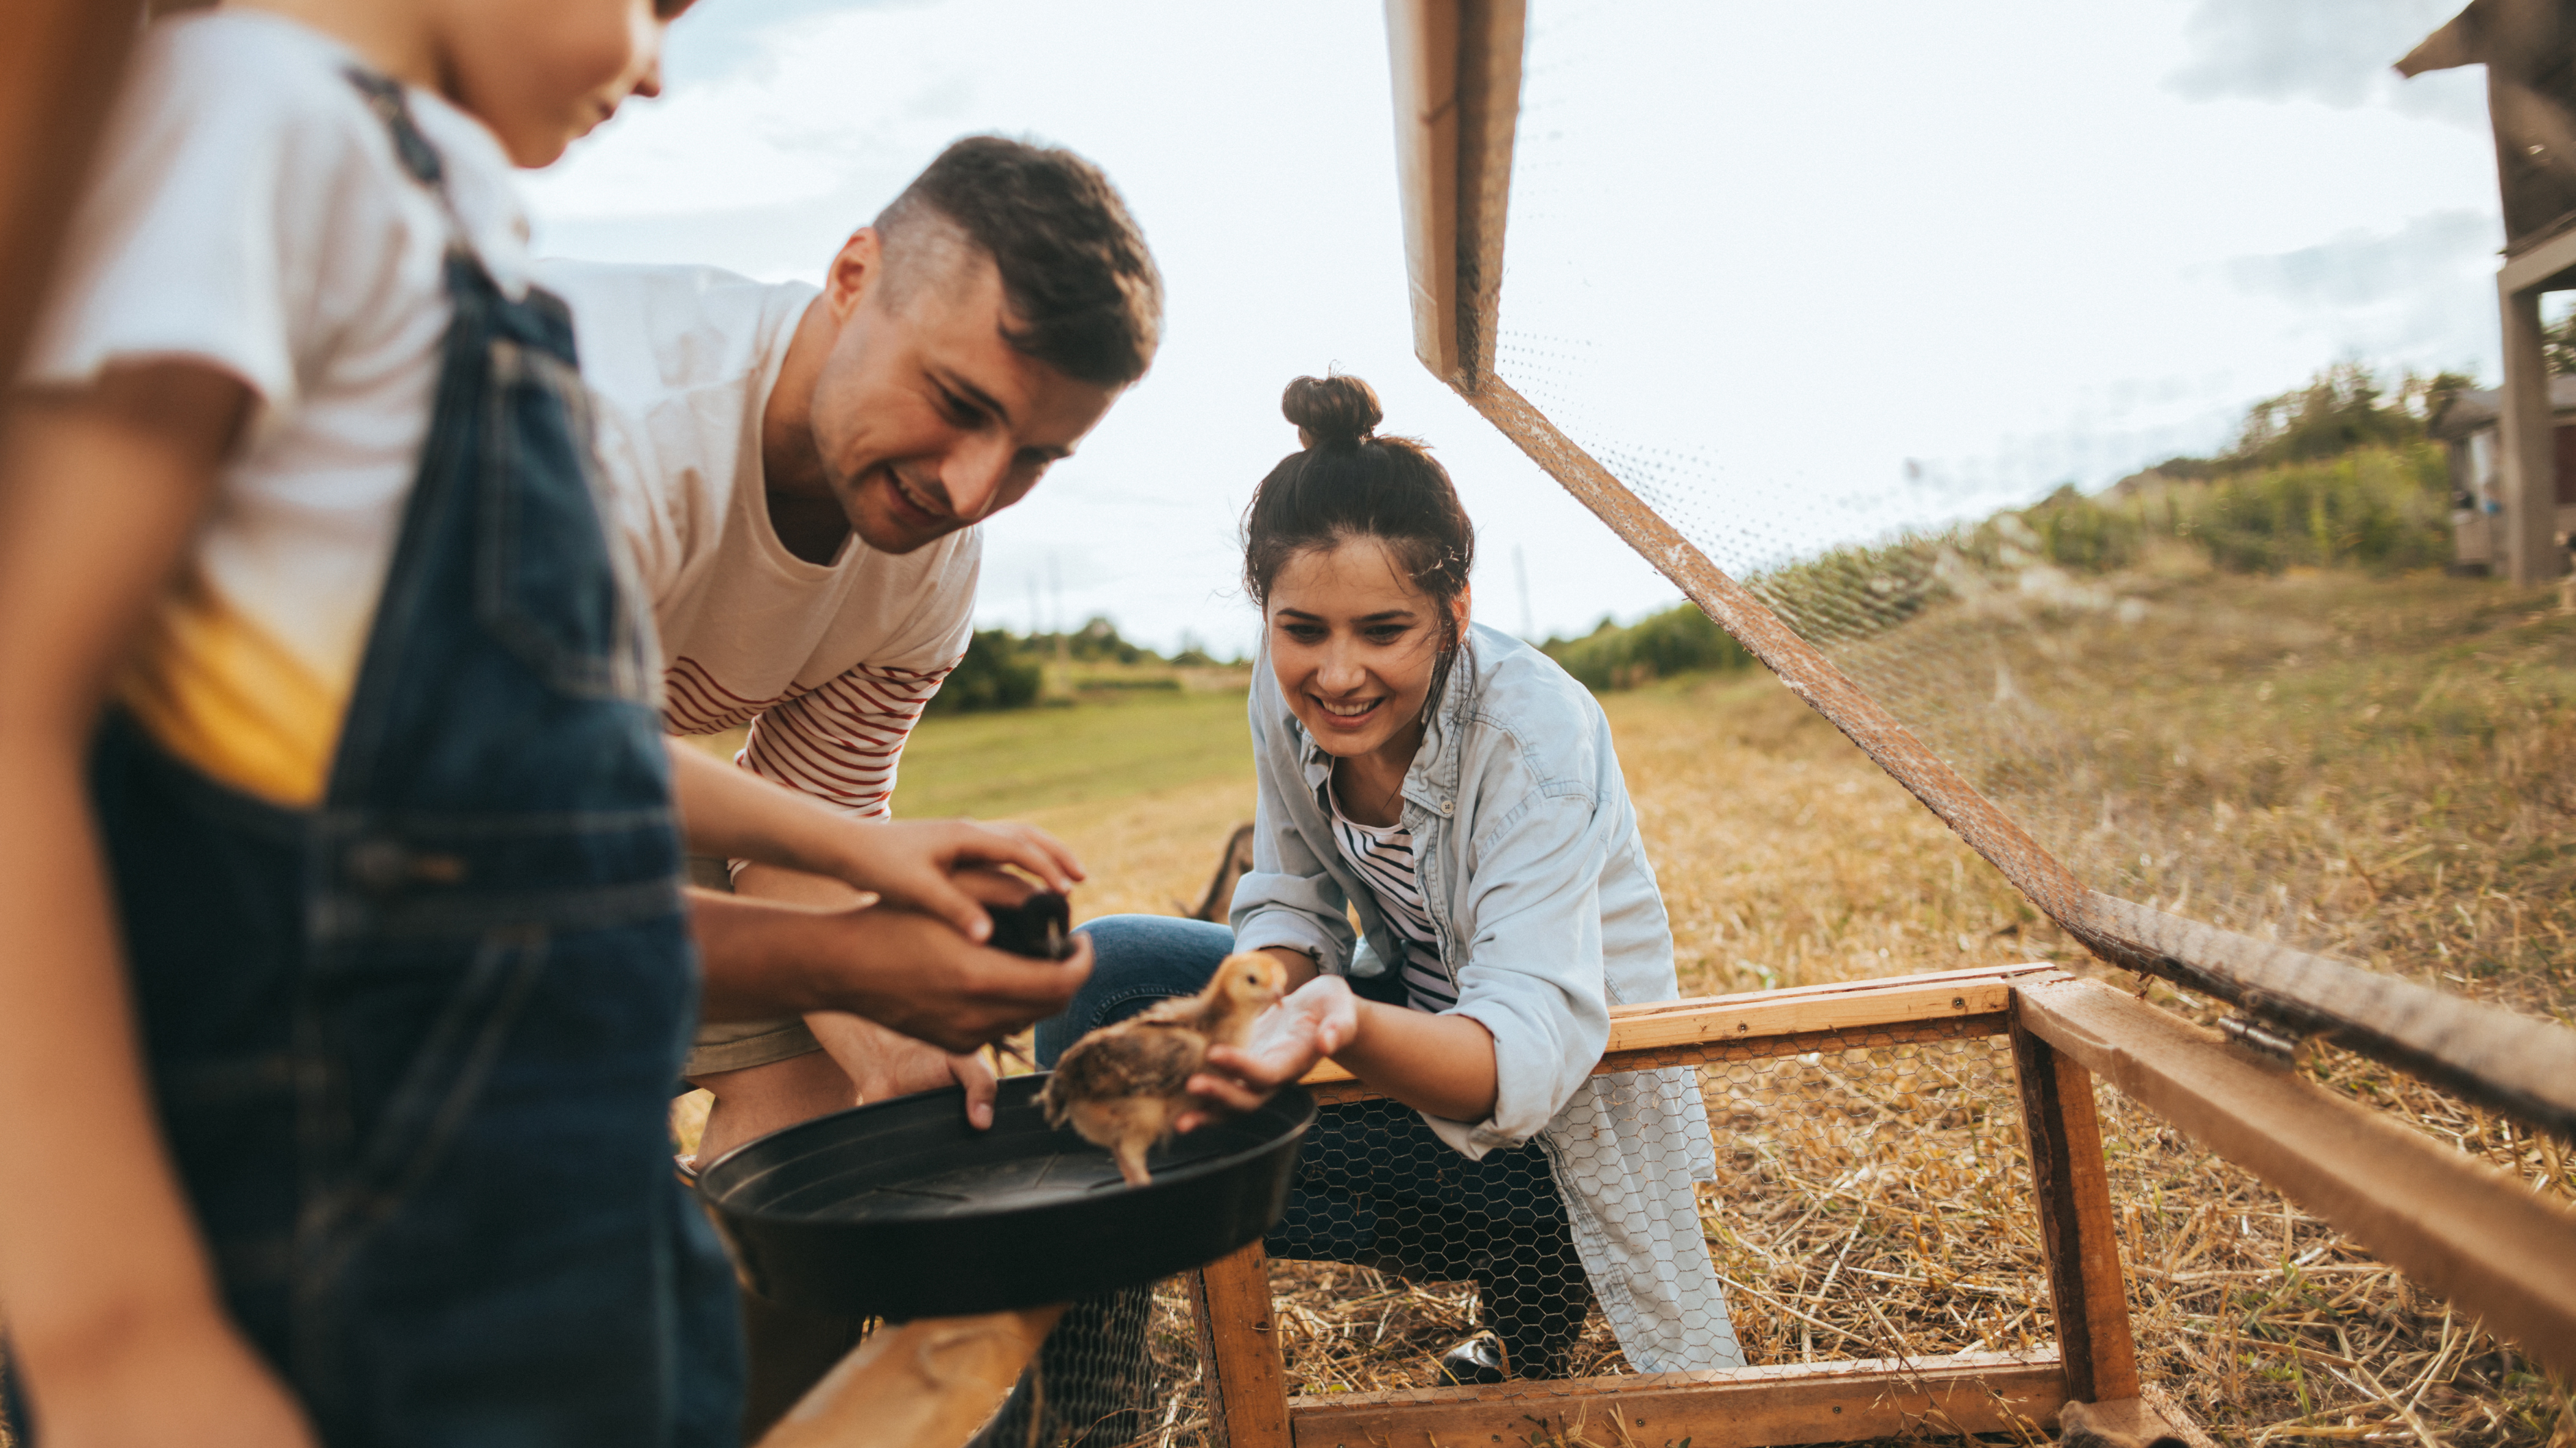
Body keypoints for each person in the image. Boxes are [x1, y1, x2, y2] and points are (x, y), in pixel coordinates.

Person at [0, 4, 1083, 1444]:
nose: (653, 62)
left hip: (537, 1190)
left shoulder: (445, 228)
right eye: (653, 4)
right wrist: (115, 1331)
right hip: (356, 1199)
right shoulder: (265, 133)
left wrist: (867, 913)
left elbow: (518, 826)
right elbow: (31, 720)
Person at [1042, 374, 1745, 1390]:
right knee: (1101, 975)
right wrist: (1243, 1010)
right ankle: (1085, 1403)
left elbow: (1522, 1055)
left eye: (1382, 632)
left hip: (1551, 1127)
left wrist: (1344, 1027)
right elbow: (1289, 897)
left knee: (1496, 1171)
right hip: (1406, 1031)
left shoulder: (1536, 739)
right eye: (1301, 631)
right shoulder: (1281, 689)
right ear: (1269, 613)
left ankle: (1534, 1274)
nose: (1335, 675)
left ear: (1454, 608)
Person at [535, 133, 1164, 1168]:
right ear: (852, 276)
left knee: (825, 1122)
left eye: (1033, 457)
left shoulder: (929, 562)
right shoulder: (614, 429)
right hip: (318, 749)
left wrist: (887, 1034)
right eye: (960, 404)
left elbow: (801, 828)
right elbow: (504, 795)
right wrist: (852, 948)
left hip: (598, 751)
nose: (970, 492)